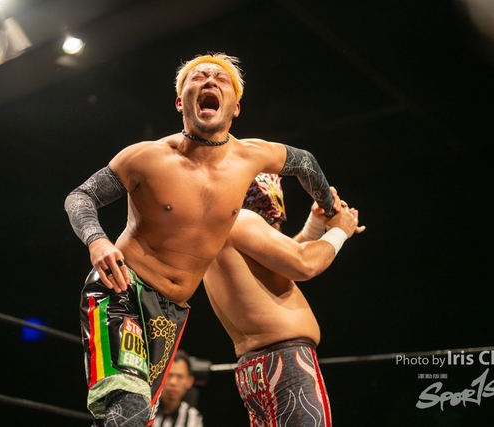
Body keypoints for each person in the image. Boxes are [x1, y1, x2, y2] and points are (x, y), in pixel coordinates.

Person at [64, 53, 341, 427]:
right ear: (181, 102)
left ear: (235, 107)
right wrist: (97, 240)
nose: (210, 80)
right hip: (122, 290)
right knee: (127, 412)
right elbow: (80, 197)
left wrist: (329, 206)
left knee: (137, 418)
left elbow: (305, 162)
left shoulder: (252, 157)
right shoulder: (146, 157)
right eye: (198, 77)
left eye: (220, 78)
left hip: (171, 313)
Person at [203, 173, 365, 427]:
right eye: (275, 222)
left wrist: (314, 225)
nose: (277, 228)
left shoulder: (216, 232)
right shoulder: (243, 220)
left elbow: (279, 262)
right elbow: (304, 264)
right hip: (285, 361)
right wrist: (339, 231)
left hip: (257, 368)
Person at [152, 350, 204, 427]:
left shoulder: (193, 418)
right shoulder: (145, 409)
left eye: (180, 377)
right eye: (169, 375)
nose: (173, 382)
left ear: (190, 381)